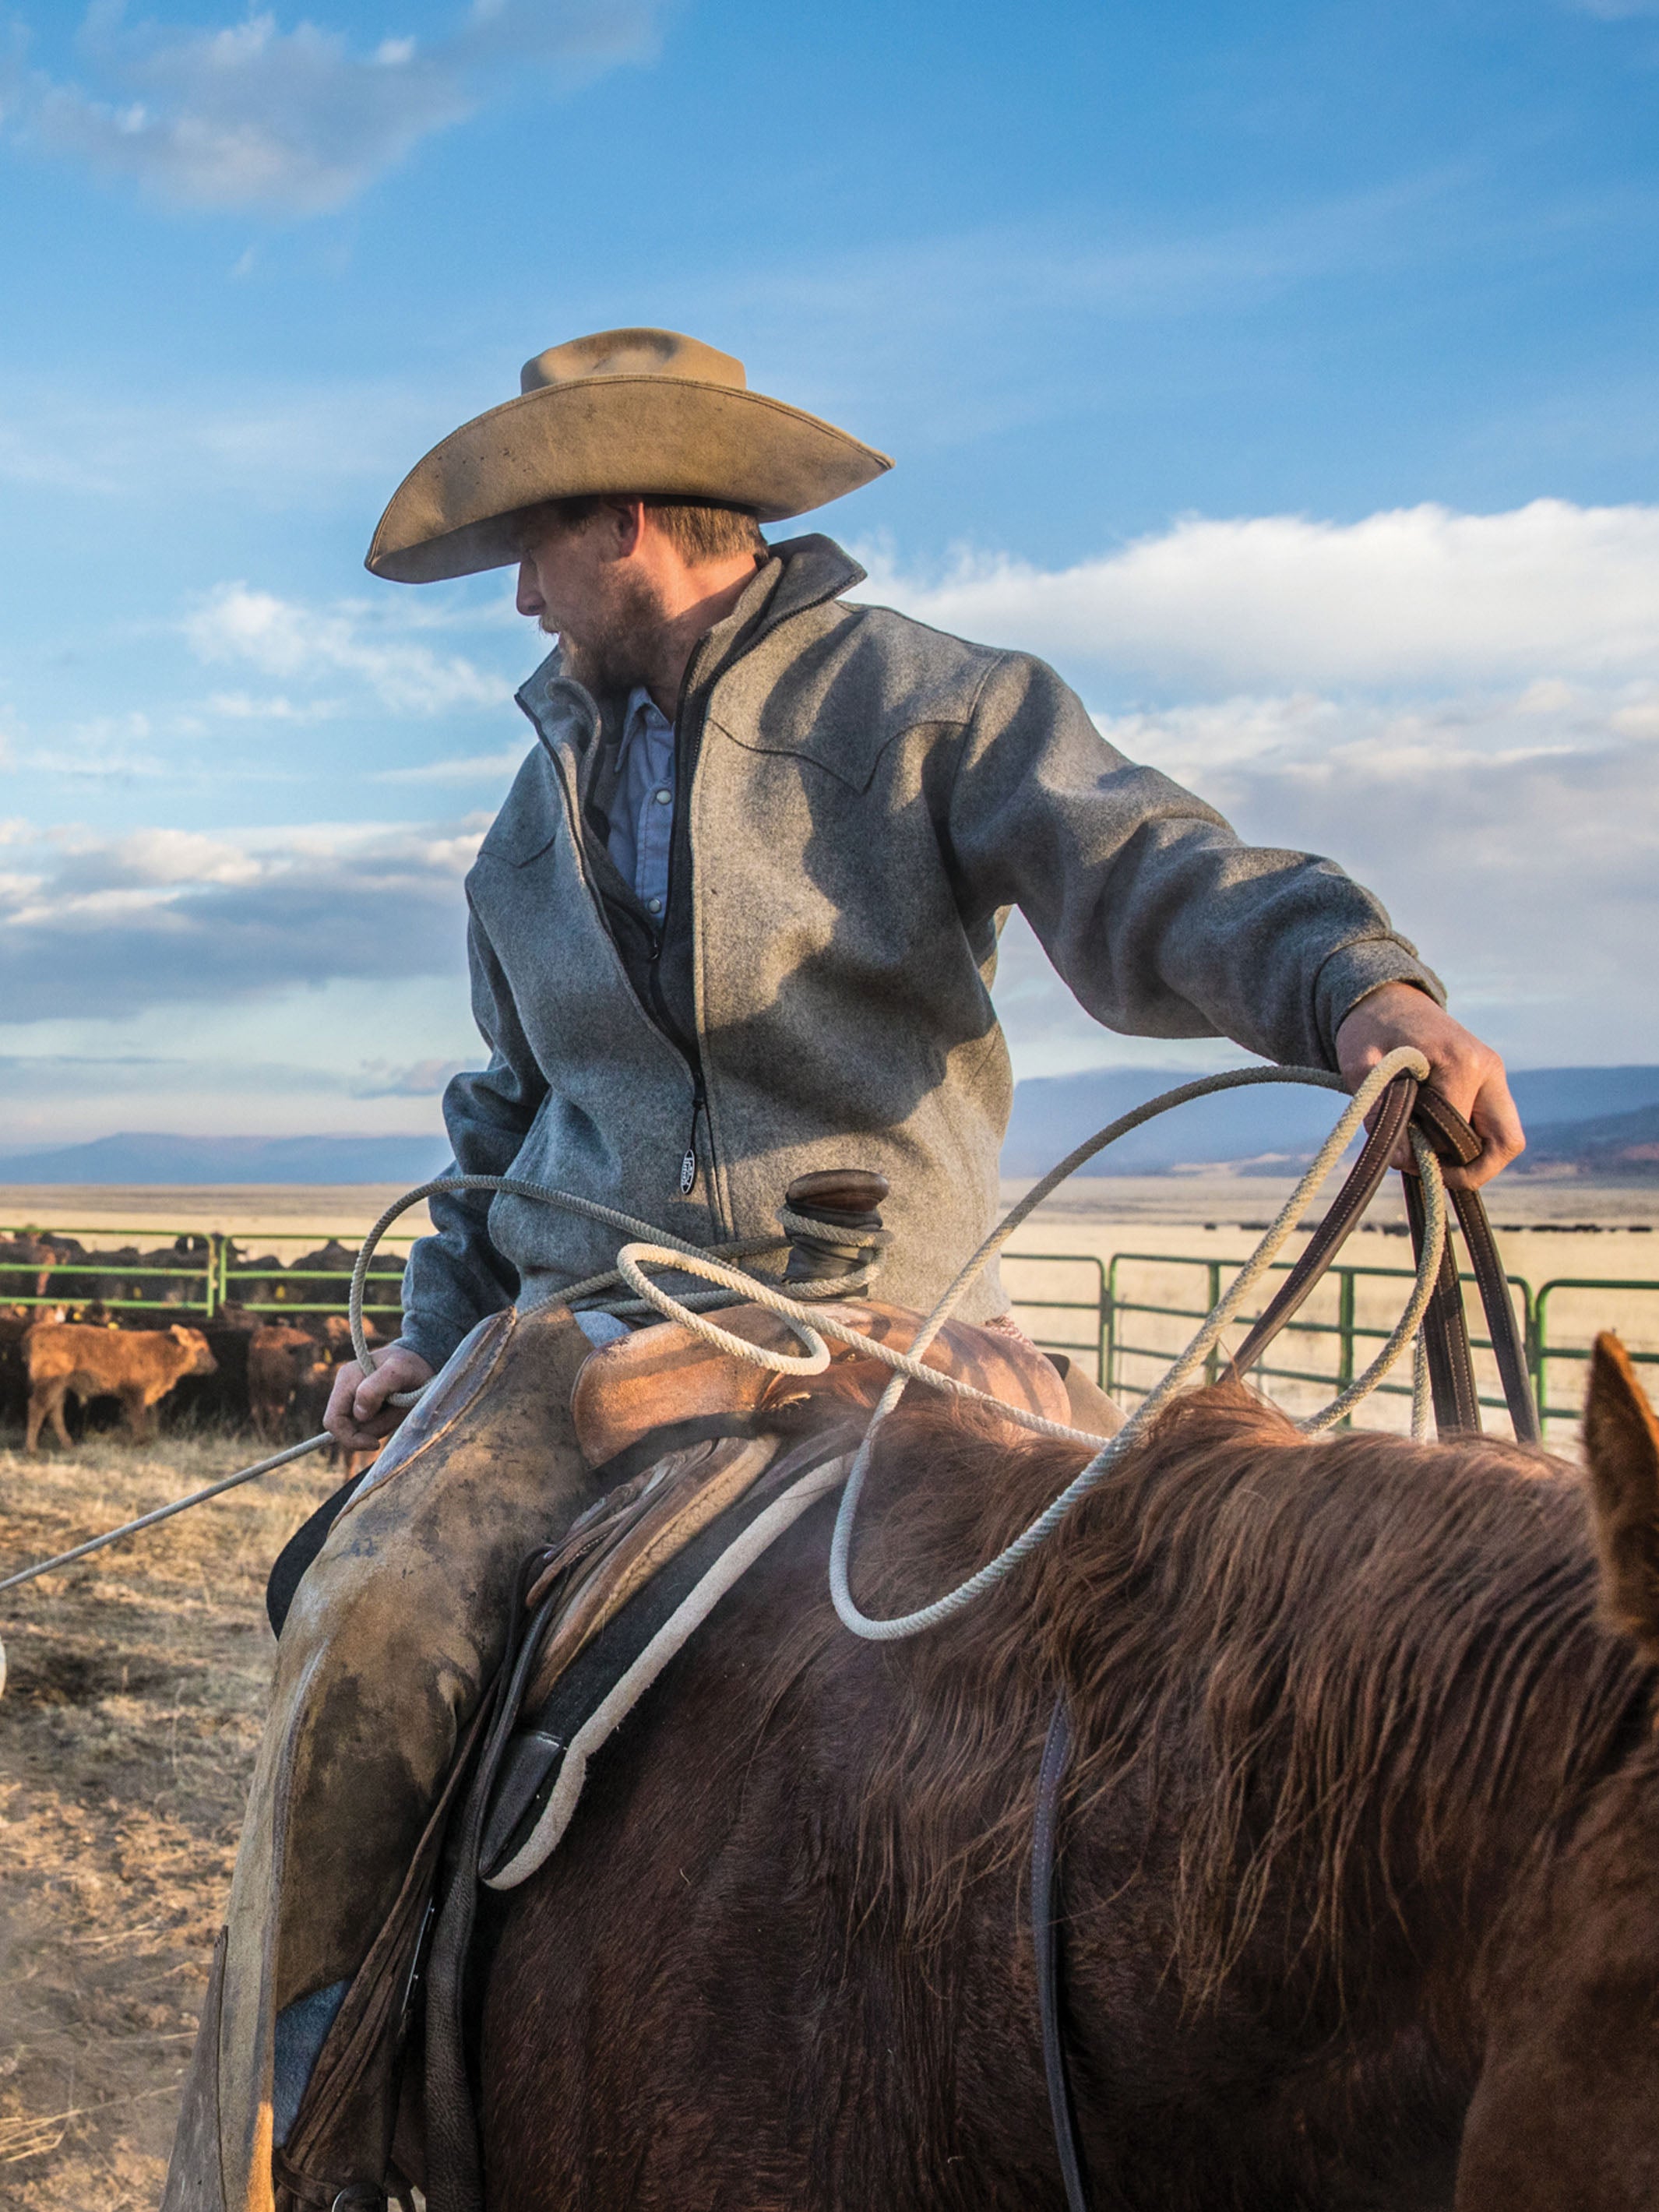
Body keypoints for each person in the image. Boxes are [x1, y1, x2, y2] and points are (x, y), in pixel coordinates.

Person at [164, 327, 1523, 2212]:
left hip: (902, 1326)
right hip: (589, 1331)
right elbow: (502, 1117)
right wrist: (430, 1339)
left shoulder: (930, 707)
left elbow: (1146, 864)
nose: (524, 602)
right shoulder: (522, 822)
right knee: (372, 1620)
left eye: (531, 554)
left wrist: (1353, 987)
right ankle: (310, 2122)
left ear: (628, 518)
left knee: (1176, 1655)